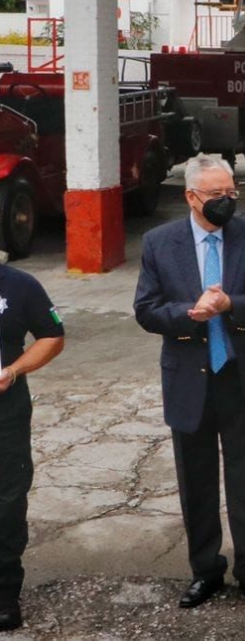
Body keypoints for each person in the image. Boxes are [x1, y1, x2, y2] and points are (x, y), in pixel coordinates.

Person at [133, 154, 245, 610]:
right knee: (196, 480)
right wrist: (189, 314)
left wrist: (230, 305)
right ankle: (205, 570)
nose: (226, 201)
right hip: (189, 377)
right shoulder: (159, 243)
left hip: (241, 374)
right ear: (190, 196)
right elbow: (146, 310)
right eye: (216, 195)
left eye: (230, 193)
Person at [0, 266, 64, 632]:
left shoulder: (20, 285)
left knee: (7, 499)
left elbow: (52, 335)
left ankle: (4, 590)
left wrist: (13, 370)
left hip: (6, 410)